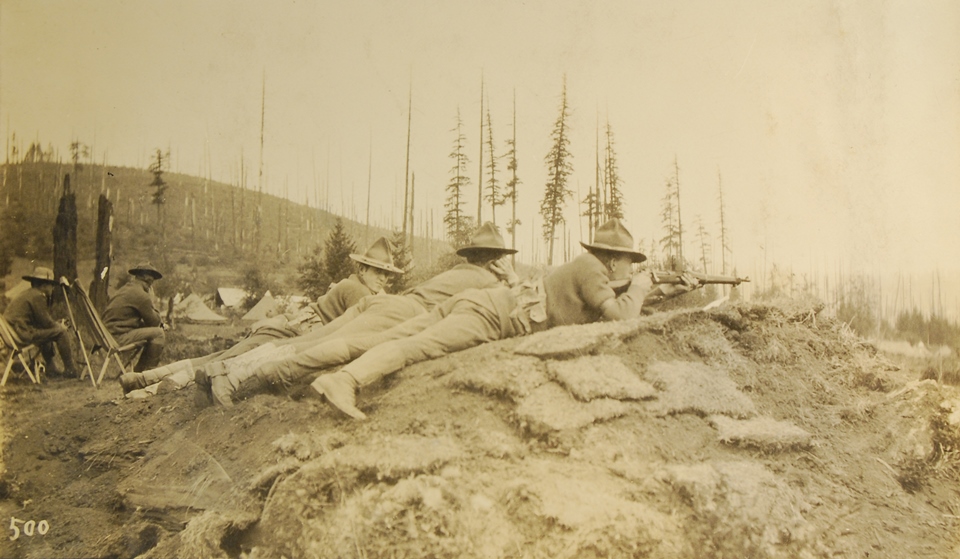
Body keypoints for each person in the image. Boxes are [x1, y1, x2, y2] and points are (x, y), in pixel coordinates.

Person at [308, 218, 699, 419]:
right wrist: (643, 288)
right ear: (614, 258)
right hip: (492, 317)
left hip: (484, 303)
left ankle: (324, 371)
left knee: (396, 336)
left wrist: (663, 291)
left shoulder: (589, 269)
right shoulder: (592, 269)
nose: (627, 271)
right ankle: (345, 380)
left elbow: (609, 306)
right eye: (628, 263)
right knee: (415, 347)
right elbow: (619, 319)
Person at [198, 221, 518, 406]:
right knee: (320, 348)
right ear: (496, 260)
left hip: (384, 305)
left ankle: (228, 369)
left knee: (309, 341)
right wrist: (512, 280)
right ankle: (236, 378)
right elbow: (514, 309)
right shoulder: (490, 283)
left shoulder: (458, 271)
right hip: (404, 313)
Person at [117, 237, 403, 394]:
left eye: (386, 275)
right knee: (224, 360)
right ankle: (149, 385)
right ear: (363, 269)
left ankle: (147, 380)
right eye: (378, 272)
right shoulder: (356, 289)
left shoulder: (353, 286)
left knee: (222, 357)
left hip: (286, 331)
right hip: (288, 335)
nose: (382, 279)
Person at [3, 266, 79, 377]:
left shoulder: (29, 294)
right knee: (61, 332)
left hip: (14, 333)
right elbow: (47, 323)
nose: (52, 288)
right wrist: (60, 326)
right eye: (51, 285)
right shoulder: (37, 296)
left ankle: (51, 367)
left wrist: (55, 324)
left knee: (48, 330)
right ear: (44, 285)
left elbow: (43, 322)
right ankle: (70, 369)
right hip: (21, 335)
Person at [101, 262, 166, 372]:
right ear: (146, 278)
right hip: (117, 338)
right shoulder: (141, 295)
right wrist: (152, 299)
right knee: (159, 334)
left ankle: (140, 371)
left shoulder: (126, 288)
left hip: (106, 335)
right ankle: (147, 372)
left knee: (155, 332)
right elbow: (154, 322)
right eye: (152, 277)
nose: (153, 280)